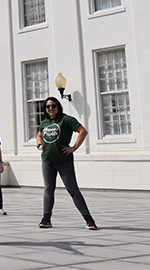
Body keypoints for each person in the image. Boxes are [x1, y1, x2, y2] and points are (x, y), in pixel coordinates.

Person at [36, 96, 97, 230]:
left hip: (64, 161)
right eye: (48, 107)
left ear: (58, 107)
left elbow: (83, 131)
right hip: (47, 161)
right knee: (48, 190)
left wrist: (74, 148)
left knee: (73, 190)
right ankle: (46, 219)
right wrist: (39, 145)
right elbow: (39, 135)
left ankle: (89, 220)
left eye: (53, 106)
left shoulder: (66, 119)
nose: (51, 108)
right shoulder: (44, 123)